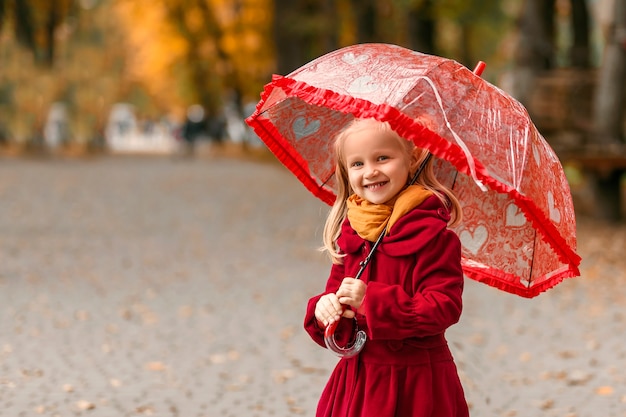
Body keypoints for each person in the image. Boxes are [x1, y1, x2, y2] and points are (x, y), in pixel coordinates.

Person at [303, 118, 469, 417]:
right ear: (345, 172)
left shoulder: (435, 237)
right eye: (357, 164)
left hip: (417, 384)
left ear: (412, 158)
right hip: (360, 382)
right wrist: (325, 308)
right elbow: (339, 299)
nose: (371, 171)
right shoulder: (352, 233)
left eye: (382, 158)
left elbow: (444, 306)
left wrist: (371, 301)